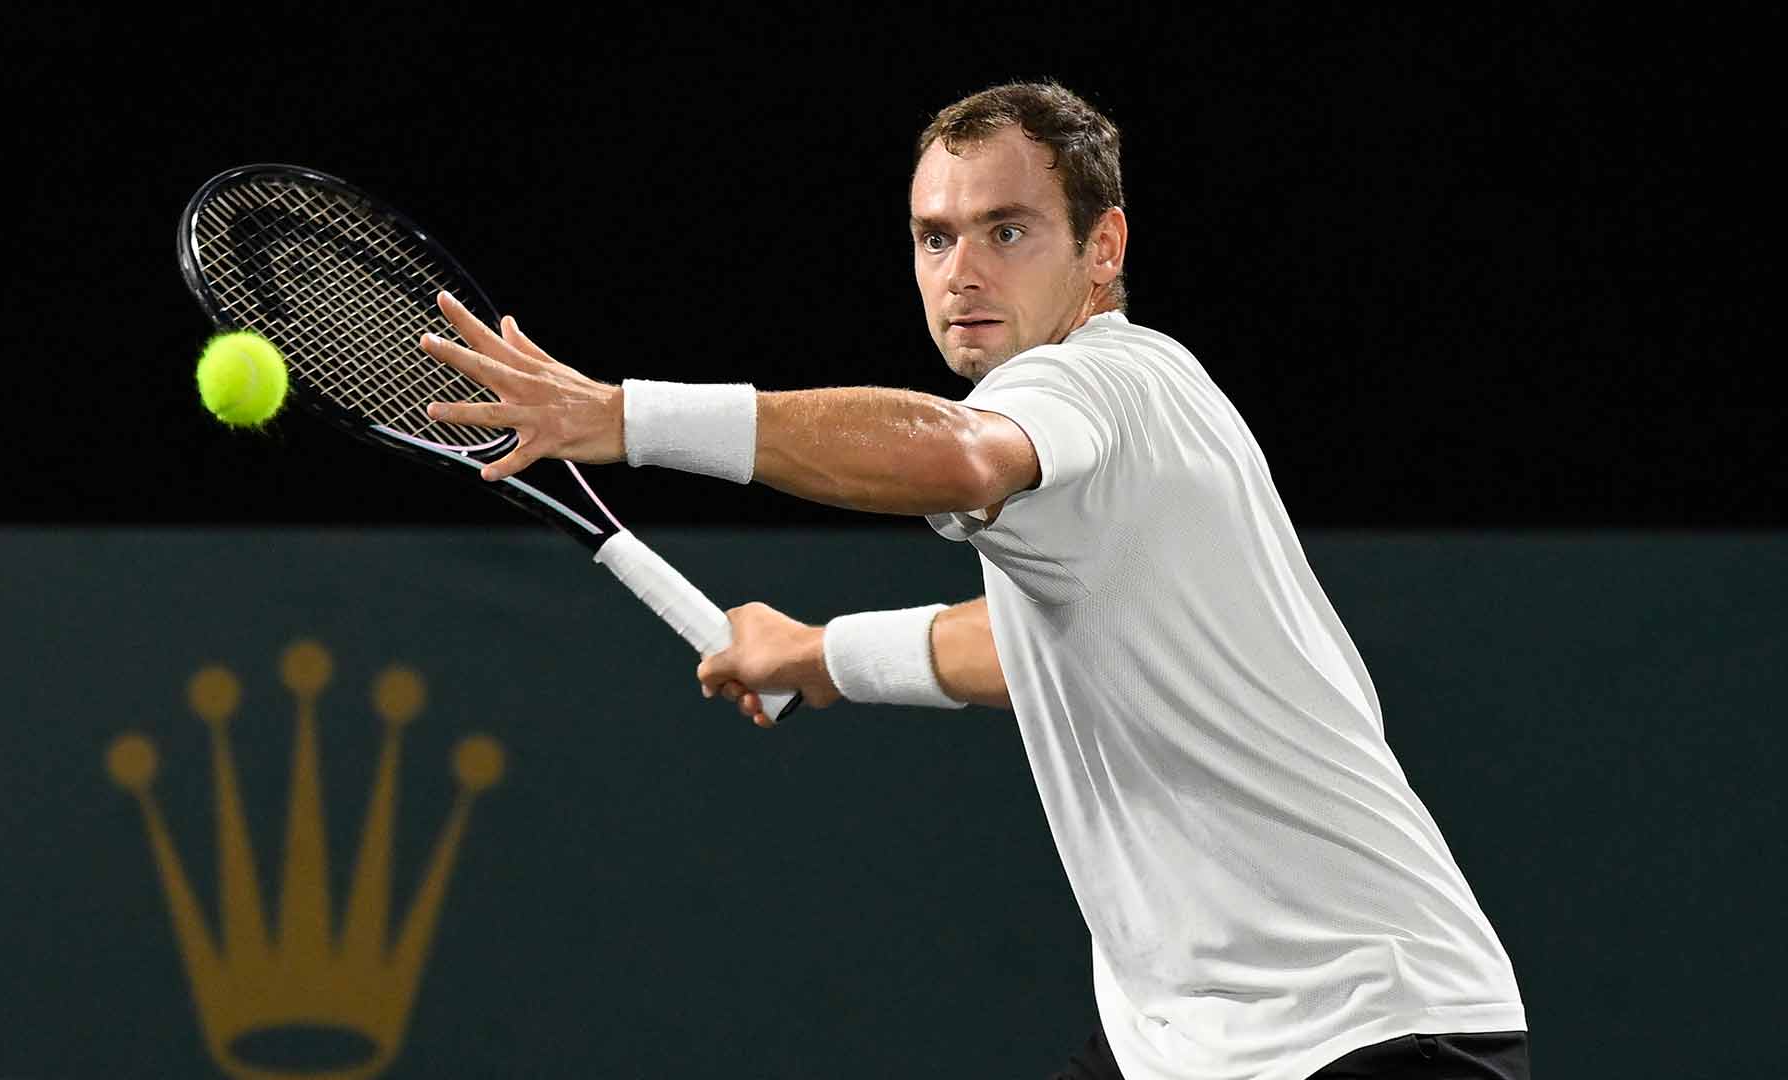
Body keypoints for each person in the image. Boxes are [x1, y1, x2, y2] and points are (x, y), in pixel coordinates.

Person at [420, 80, 1529, 1080]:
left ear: (1104, 248)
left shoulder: (1098, 382)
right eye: (935, 237)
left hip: (1368, 1034)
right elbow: (1026, 645)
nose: (962, 272)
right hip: (1187, 1043)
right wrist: (819, 655)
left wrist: (625, 416)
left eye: (1008, 231)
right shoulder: (1142, 414)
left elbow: (956, 456)